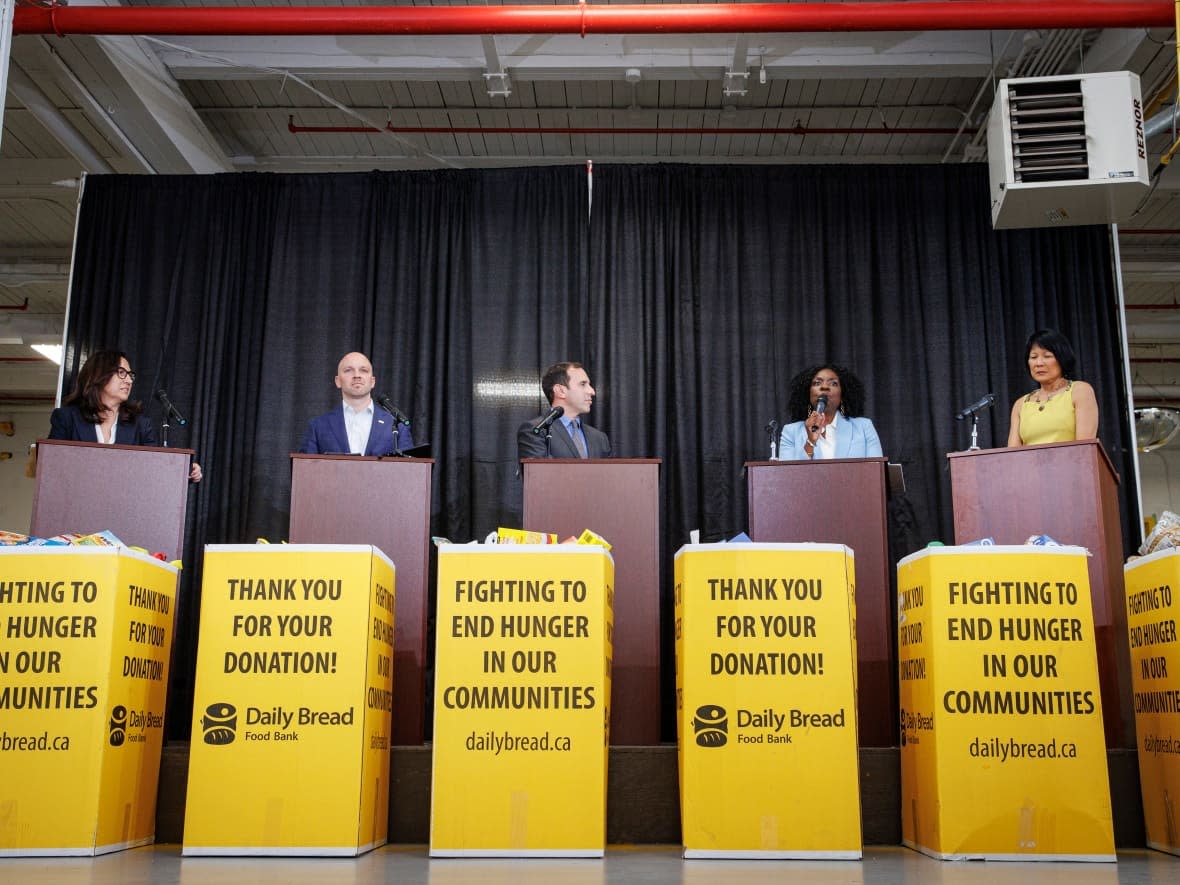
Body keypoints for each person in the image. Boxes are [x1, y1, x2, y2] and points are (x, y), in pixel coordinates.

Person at [48, 349, 203, 482]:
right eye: (122, 373)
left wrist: (183, 471)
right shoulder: (66, 418)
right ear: (98, 375)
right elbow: (51, 465)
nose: (129, 380)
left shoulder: (140, 425)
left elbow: (154, 470)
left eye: (130, 375)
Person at [300, 351, 414, 455]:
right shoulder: (318, 426)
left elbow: (410, 471)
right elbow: (304, 471)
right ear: (338, 381)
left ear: (372, 381)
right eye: (348, 370)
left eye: (363, 370)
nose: (357, 375)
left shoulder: (396, 427)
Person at [1007, 329, 1098, 447]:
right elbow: (1012, 456)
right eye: (1033, 357)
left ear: (1062, 359)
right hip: (1029, 466)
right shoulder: (1020, 404)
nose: (1039, 363)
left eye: (1047, 356)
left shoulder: (1080, 391)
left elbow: (1084, 449)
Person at [778, 364, 883, 460]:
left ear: (842, 395)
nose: (825, 387)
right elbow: (790, 476)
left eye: (833, 383)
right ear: (807, 394)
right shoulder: (790, 432)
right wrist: (810, 442)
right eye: (817, 383)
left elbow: (877, 472)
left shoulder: (864, 427)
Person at [517, 361, 611, 460]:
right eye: (583, 384)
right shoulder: (536, 431)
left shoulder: (600, 438)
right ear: (561, 391)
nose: (592, 391)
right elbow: (535, 474)